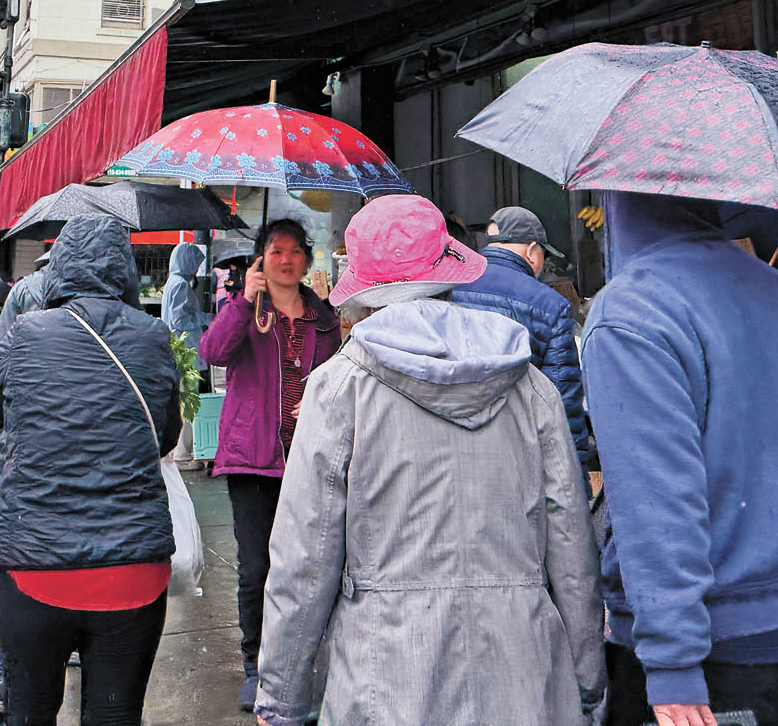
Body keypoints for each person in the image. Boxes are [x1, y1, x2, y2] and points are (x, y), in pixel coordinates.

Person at [256, 194, 603, 726]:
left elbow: (305, 557)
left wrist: (281, 698)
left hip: (388, 677)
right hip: (524, 673)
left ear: (366, 289)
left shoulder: (338, 389)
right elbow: (571, 549)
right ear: (450, 272)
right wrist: (587, 681)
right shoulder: (531, 388)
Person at [583, 193, 778, 726]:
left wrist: (672, 664)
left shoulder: (632, 310)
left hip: (711, 653)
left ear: (618, 206)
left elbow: (656, 501)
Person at [0, 214, 181, 726]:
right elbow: (163, 436)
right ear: (123, 270)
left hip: (36, 566)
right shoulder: (153, 335)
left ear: (60, 268)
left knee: (29, 712)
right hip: (133, 570)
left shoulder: (26, 333)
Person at [197, 217, 341, 712]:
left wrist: (319, 402)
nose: (285, 260)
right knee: (257, 567)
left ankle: (300, 660)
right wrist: (242, 300)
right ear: (260, 258)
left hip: (309, 457)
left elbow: (338, 378)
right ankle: (257, 666)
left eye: (294, 251)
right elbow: (212, 353)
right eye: (274, 251)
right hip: (253, 462)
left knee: (308, 565)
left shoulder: (324, 318)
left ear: (307, 258)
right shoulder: (246, 311)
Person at [448, 205, 592, 468]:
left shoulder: (447, 286)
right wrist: (576, 479)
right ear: (531, 250)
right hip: (518, 456)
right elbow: (562, 403)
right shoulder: (551, 305)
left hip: (450, 449)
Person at [0, 247, 56, 719]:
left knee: (19, 550)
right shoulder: (32, 293)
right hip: (40, 446)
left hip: (25, 443)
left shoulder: (28, 292)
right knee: (22, 553)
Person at [160, 239, 208, 465]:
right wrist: (205, 318)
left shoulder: (172, 282)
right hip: (187, 351)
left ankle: (180, 449)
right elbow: (181, 319)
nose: (197, 269)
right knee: (190, 400)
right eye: (196, 264)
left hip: (178, 350)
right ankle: (184, 452)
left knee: (182, 399)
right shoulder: (181, 285)